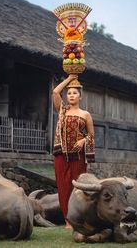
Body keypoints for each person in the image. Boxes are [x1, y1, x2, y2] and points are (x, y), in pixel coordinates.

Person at [52, 74, 95, 229]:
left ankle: (80, 217)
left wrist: (83, 140)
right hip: (61, 155)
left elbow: (91, 135)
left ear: (80, 96)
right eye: (69, 93)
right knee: (63, 186)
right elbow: (55, 92)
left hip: (78, 155)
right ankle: (68, 220)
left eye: (74, 93)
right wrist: (69, 80)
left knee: (78, 186)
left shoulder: (85, 115)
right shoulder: (62, 110)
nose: (71, 95)